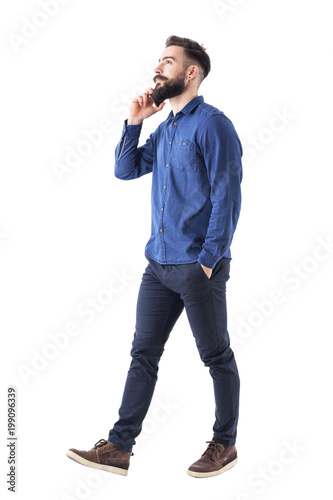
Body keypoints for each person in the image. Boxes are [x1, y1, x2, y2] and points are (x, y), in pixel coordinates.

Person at [67, 35, 243, 479]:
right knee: (143, 354)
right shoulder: (166, 128)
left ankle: (225, 443)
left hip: (197, 268)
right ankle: (119, 449)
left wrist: (208, 260)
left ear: (192, 73)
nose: (158, 69)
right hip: (158, 267)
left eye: (168, 61)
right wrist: (135, 121)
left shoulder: (213, 125)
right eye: (158, 61)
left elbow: (227, 197)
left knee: (215, 357)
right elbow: (125, 170)